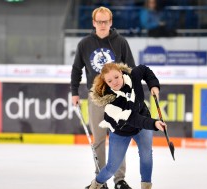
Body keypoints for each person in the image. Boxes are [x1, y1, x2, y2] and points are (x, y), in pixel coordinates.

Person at [70, 6, 136, 189]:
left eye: (105, 21)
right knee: (98, 139)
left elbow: (131, 68)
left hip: (118, 98)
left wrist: (132, 92)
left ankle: (119, 180)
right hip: (96, 98)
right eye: (99, 21)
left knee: (119, 137)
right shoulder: (84, 44)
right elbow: (76, 70)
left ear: (111, 22)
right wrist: (74, 92)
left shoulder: (120, 42)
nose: (102, 24)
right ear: (93, 23)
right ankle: (100, 179)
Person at [88, 63, 166, 189]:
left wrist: (154, 85)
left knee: (146, 156)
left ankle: (146, 186)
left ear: (121, 72)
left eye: (116, 77)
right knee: (112, 167)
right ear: (105, 82)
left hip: (142, 124)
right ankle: (96, 185)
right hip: (121, 131)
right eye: (109, 81)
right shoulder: (111, 103)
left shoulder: (133, 76)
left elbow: (145, 70)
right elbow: (133, 119)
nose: (114, 82)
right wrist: (154, 123)